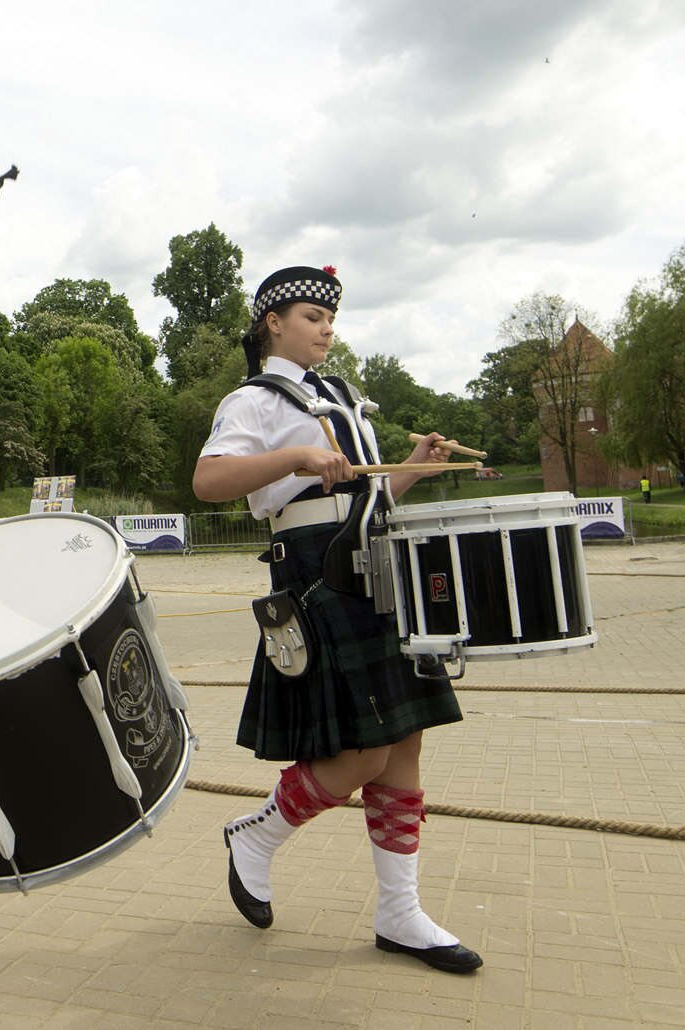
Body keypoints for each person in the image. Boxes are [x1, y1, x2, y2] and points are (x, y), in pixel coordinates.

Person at [193, 265, 482, 974]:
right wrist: (293, 456)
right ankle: (257, 835)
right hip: (316, 571)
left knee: (404, 742)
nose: (327, 330)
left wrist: (412, 466)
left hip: (376, 563)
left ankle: (400, 913)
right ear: (274, 323)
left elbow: (368, 496)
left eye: (330, 319)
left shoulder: (343, 396)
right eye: (313, 317)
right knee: (361, 753)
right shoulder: (253, 400)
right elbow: (209, 481)